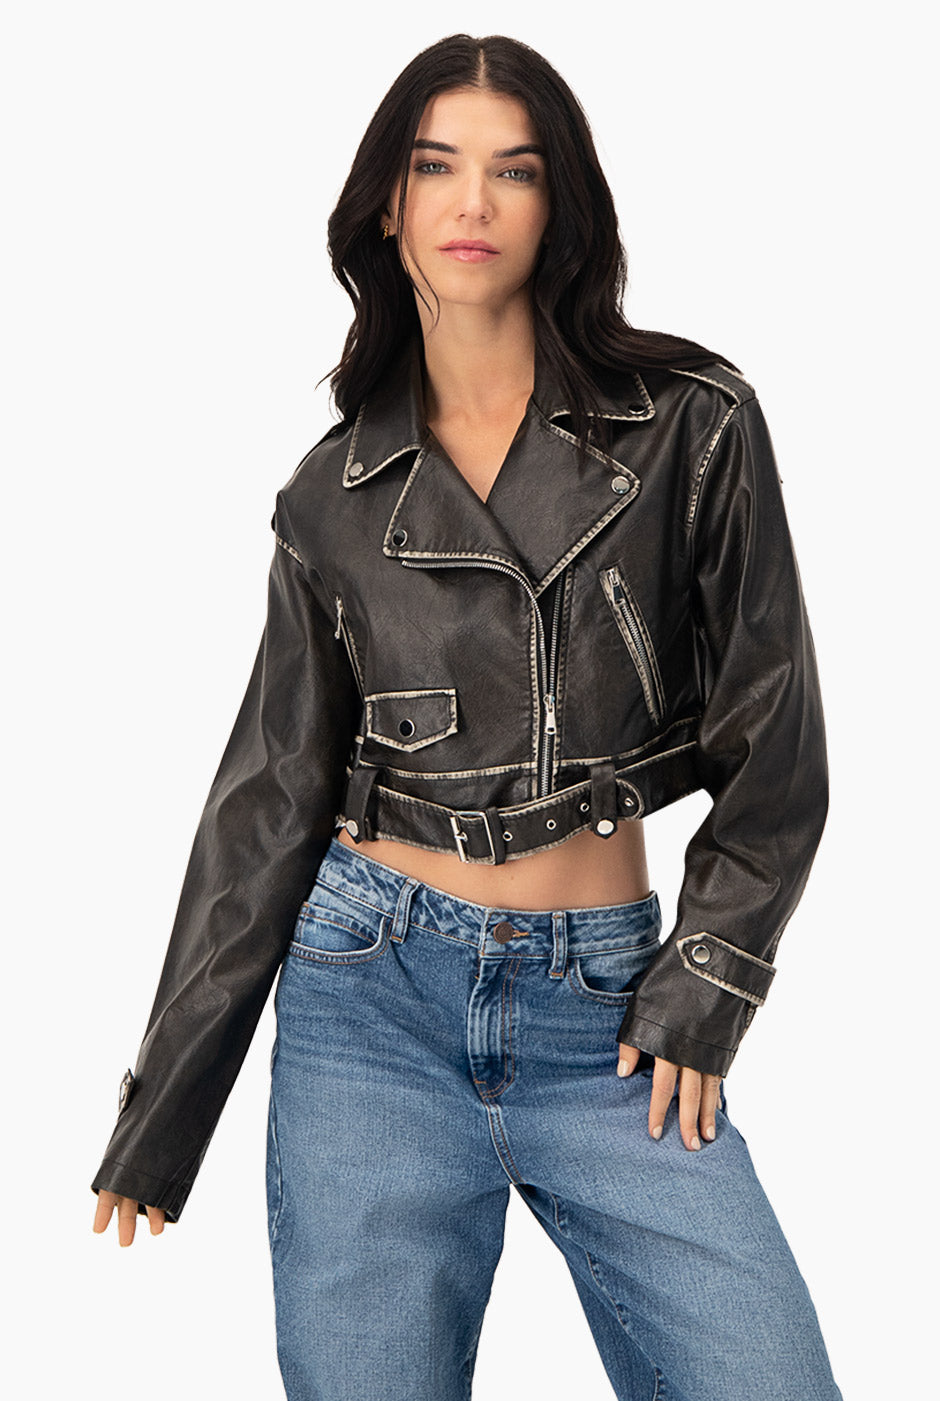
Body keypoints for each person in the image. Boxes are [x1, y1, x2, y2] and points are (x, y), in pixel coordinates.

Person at [91, 32, 843, 1401]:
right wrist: (165, 1107)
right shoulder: (331, 495)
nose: (474, 203)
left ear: (562, 207)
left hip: (609, 1013)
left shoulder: (693, 424)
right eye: (436, 167)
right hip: (367, 1003)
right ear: (388, 205)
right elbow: (268, 803)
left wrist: (710, 977)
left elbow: (775, 741)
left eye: (516, 170)